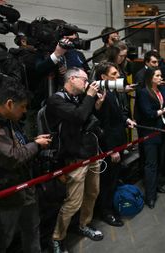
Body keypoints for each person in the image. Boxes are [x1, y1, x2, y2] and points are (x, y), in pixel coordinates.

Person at [0, 81, 52, 253]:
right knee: (0, 241)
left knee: (32, 231)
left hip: (23, 189)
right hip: (4, 198)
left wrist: (33, 142)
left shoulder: (7, 120)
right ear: (9, 104)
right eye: (22, 107)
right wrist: (36, 145)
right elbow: (12, 157)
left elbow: (17, 147)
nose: (24, 111)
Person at [46, 67, 105, 252]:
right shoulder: (56, 100)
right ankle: (57, 237)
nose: (87, 83)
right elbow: (78, 117)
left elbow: (91, 119)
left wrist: (96, 104)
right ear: (71, 79)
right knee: (73, 202)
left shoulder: (80, 97)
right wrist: (90, 96)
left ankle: (84, 224)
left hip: (92, 153)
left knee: (92, 193)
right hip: (75, 157)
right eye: (84, 79)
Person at [94, 62, 136, 227]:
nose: (118, 76)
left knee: (114, 178)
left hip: (119, 141)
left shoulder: (114, 91)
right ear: (103, 77)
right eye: (113, 74)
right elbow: (104, 125)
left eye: (117, 73)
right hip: (110, 146)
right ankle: (106, 212)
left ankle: (111, 206)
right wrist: (112, 150)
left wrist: (126, 120)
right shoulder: (101, 96)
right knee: (107, 181)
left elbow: (116, 115)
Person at [136, 67, 165, 209]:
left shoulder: (162, 90)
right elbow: (148, 113)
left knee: (160, 160)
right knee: (151, 164)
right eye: (157, 75)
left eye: (160, 75)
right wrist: (163, 110)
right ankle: (150, 196)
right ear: (150, 77)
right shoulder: (143, 92)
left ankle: (156, 185)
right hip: (149, 131)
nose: (160, 78)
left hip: (162, 129)